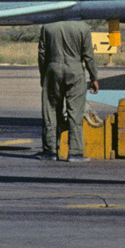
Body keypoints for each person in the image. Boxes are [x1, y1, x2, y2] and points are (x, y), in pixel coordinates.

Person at [38, 19, 99, 160]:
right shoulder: (83, 27)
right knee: (75, 112)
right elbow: (88, 55)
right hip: (75, 69)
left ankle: (50, 150)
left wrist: (44, 76)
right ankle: (75, 152)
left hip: (53, 68)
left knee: (51, 111)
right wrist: (94, 77)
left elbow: (42, 54)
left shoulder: (47, 26)